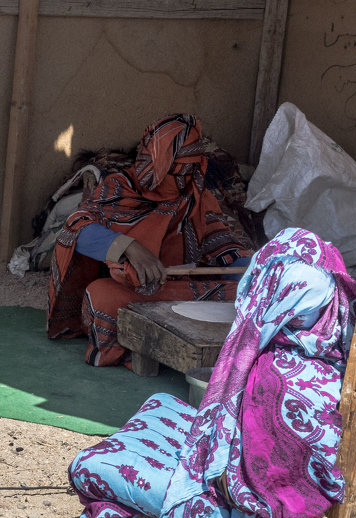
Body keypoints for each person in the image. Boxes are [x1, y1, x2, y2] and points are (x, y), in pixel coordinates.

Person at [67, 228, 356, 518]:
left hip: (238, 509)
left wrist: (205, 463)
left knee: (88, 465)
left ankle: (188, 512)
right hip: (236, 466)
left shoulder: (276, 378)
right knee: (161, 402)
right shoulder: (330, 346)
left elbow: (248, 485)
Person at [47, 113, 254, 366]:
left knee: (249, 295)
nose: (183, 182)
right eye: (176, 172)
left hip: (180, 290)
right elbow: (75, 229)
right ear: (154, 165)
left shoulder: (196, 198)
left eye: (190, 172)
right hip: (132, 292)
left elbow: (219, 241)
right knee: (101, 296)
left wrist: (249, 267)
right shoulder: (118, 189)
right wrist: (131, 248)